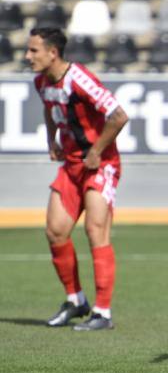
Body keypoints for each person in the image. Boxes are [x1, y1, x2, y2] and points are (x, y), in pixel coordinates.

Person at [26, 27, 129, 331]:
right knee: (56, 231)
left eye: (33, 50)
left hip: (101, 164)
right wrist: (52, 139)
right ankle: (75, 300)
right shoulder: (41, 82)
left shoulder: (79, 79)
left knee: (95, 230)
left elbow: (119, 115)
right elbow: (49, 108)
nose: (27, 56)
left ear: (52, 52)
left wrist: (97, 150)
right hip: (71, 165)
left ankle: (103, 313)